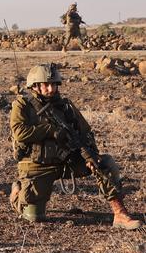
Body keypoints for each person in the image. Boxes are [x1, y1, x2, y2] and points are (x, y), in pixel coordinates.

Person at [9, 63, 140, 229]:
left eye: (54, 84)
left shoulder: (65, 106)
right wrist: (51, 130)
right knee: (34, 217)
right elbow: (19, 132)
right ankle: (17, 193)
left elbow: (85, 132)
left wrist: (91, 155)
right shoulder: (22, 105)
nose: (51, 89)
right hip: (37, 165)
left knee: (104, 163)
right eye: (46, 85)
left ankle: (120, 213)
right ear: (35, 86)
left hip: (67, 162)